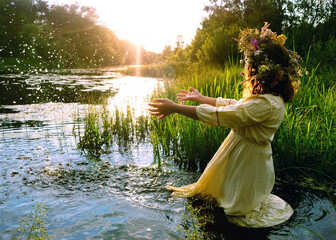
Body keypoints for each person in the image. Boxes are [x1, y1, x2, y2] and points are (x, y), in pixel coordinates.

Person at [148, 23, 302, 228]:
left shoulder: (267, 103)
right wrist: (202, 98)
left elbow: (227, 114)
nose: (246, 71)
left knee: (237, 211)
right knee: (219, 196)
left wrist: (176, 108)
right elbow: (235, 105)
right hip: (242, 153)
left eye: (249, 67)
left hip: (249, 161)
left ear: (262, 72)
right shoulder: (269, 98)